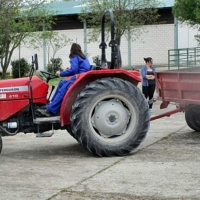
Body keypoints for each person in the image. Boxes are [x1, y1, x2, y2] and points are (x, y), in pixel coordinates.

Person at [36, 43, 91, 117]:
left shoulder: (74, 56)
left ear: (72, 50)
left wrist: (61, 73)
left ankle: (51, 109)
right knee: (62, 82)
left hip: (79, 77)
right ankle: (52, 105)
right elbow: (79, 68)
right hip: (81, 76)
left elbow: (74, 70)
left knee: (64, 88)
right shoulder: (83, 57)